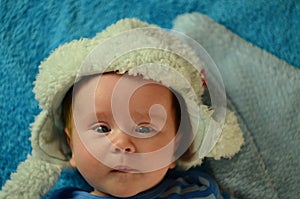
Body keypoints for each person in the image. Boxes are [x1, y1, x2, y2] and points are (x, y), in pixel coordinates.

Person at [0, 18, 243, 199]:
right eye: (103, 128)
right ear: (71, 147)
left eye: (146, 129)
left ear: (176, 149)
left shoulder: (197, 191)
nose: (123, 143)